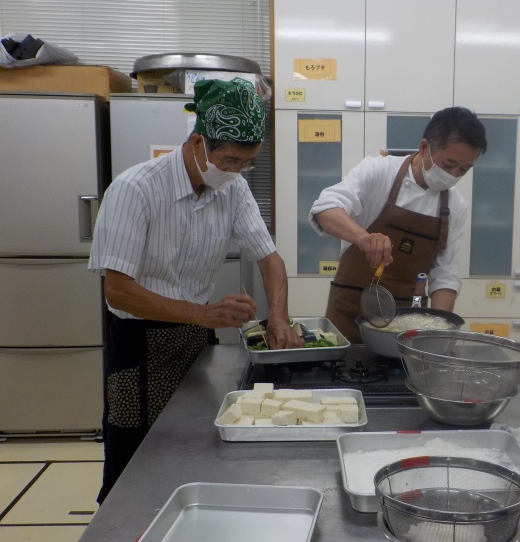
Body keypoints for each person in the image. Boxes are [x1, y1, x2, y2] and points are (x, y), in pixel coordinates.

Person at [89, 77, 300, 504]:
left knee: (192, 446)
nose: (236, 171)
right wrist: (204, 314)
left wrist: (278, 315)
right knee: (133, 459)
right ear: (198, 141)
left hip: (195, 340)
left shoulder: (233, 190)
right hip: (137, 343)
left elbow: (270, 258)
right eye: (230, 160)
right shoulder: (135, 189)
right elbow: (118, 292)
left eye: (246, 163)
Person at [309, 107, 487, 344]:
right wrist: (363, 237)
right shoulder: (379, 171)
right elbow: (325, 209)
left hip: (407, 324)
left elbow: (445, 274)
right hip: (349, 311)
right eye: (448, 164)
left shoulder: (455, 205)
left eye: (463, 170)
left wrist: (440, 332)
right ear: (424, 147)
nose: (453, 175)